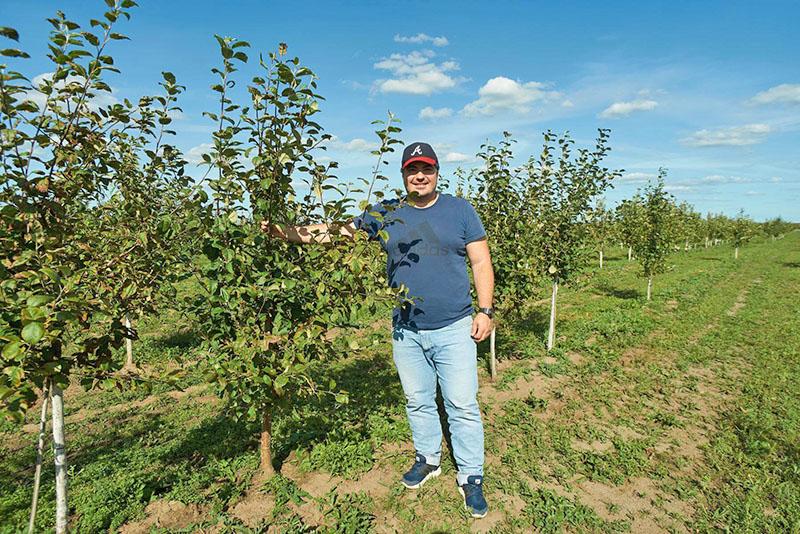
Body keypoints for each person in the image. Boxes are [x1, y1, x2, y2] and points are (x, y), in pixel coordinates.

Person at [263, 142, 495, 518]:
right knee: (417, 399)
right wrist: (284, 232)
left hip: (453, 326)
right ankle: (429, 458)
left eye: (427, 169)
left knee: (462, 404)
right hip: (405, 329)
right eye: (412, 170)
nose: (420, 176)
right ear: (403, 174)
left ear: (437, 172)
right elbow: (338, 233)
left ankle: (471, 476)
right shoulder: (386, 211)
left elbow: (481, 261)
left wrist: (485, 310)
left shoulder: (460, 210)